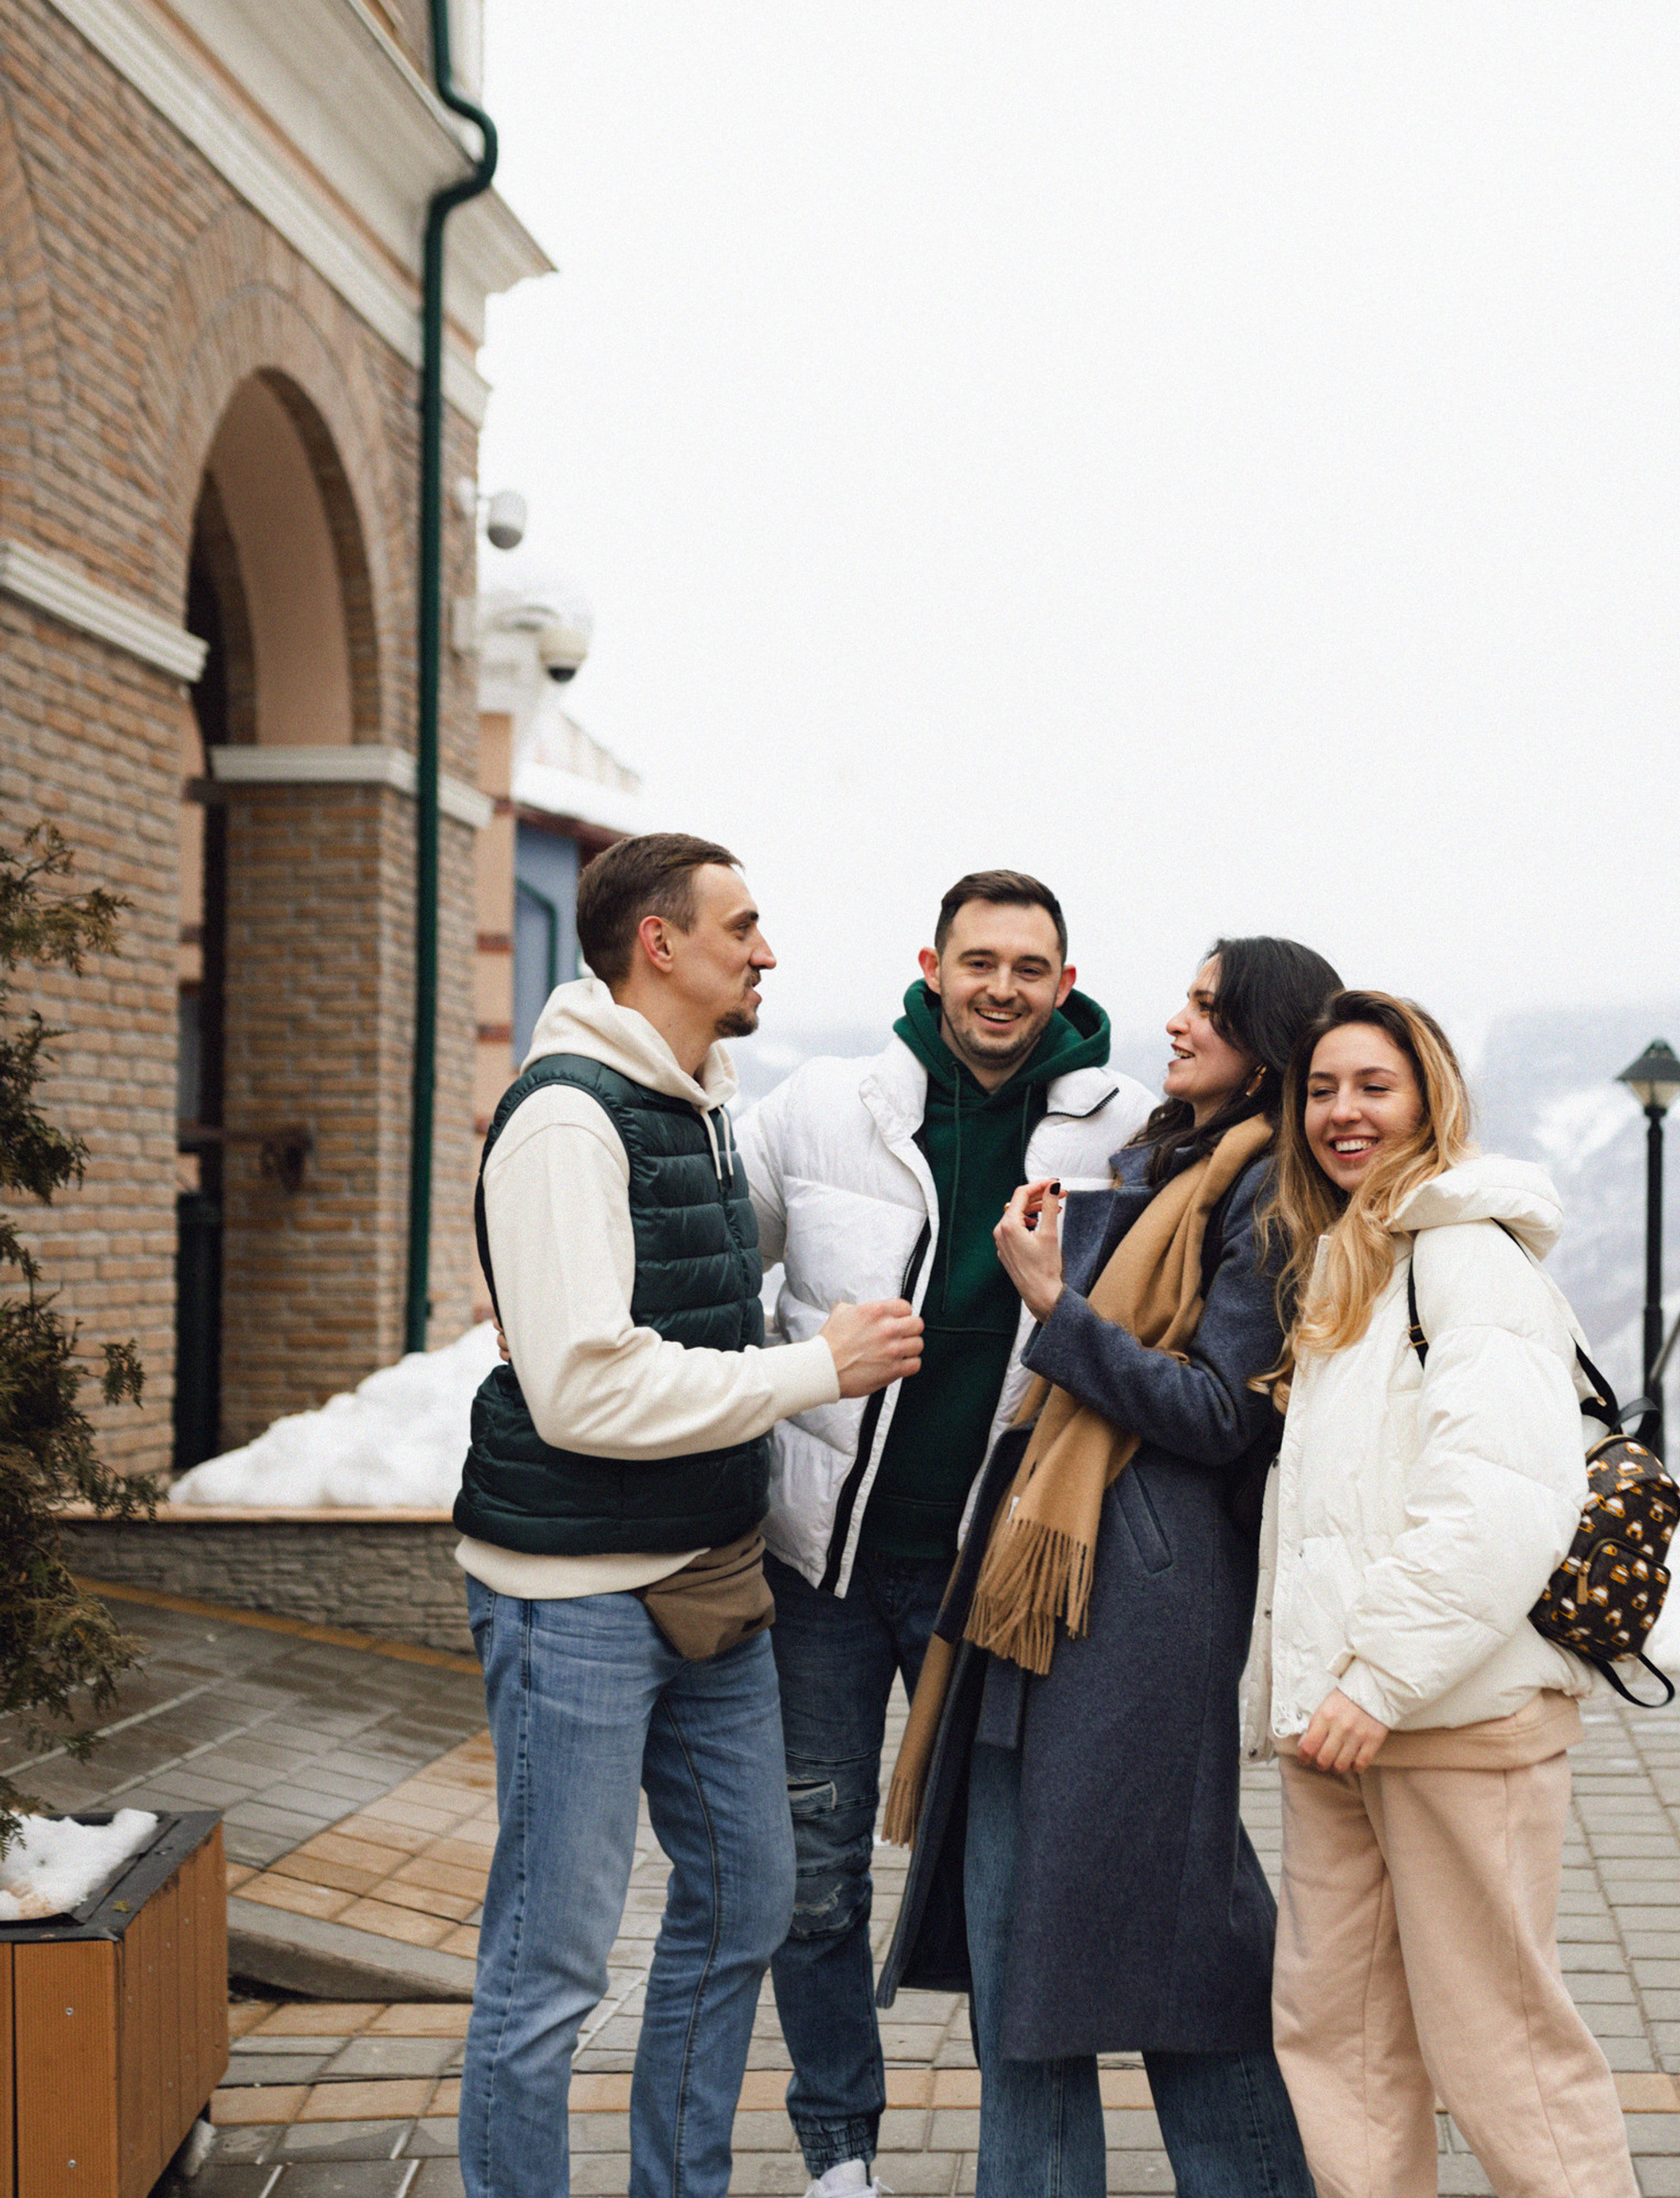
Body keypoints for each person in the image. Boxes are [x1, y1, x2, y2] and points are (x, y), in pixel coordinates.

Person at [452, 833, 924, 2198]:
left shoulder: (703, 1100)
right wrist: (812, 1370)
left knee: (747, 1904)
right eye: (741, 926)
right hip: (574, 1600)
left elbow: (695, 1308)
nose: (767, 952)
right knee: (549, 1958)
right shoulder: (565, 1120)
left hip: (710, 1586)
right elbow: (583, 1388)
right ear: (658, 944)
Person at [878, 936, 1343, 2198]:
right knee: (1028, 1946)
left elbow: (1221, 1412)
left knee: (1175, 1936)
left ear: (1268, 1044)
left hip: (1138, 1607)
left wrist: (1055, 1306)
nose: (1176, 1023)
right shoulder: (1176, 1159)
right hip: (1048, 1588)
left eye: (1208, 1008)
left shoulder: (1272, 1194)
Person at [737, 871, 1155, 2198]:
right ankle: (839, 2157)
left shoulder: (1125, 1134)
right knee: (813, 1875)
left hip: (997, 1578)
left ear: (1065, 984)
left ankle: (1022, 2164)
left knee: (1008, 1886)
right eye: (979, 962)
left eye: (1030, 969)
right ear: (932, 966)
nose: (1002, 990)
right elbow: (711, 1266)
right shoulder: (823, 1107)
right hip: (822, 1566)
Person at [1250, 988, 1638, 2198]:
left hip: (1448, 1716)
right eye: (1322, 1089)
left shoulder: (1466, 1257)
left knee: (1502, 2047)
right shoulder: (1352, 1261)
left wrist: (1378, 1678)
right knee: (1341, 2040)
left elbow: (1500, 1501)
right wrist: (1322, 1693)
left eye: (1375, 1086)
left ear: (1431, 1100)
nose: (1343, 1112)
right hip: (1340, 1729)